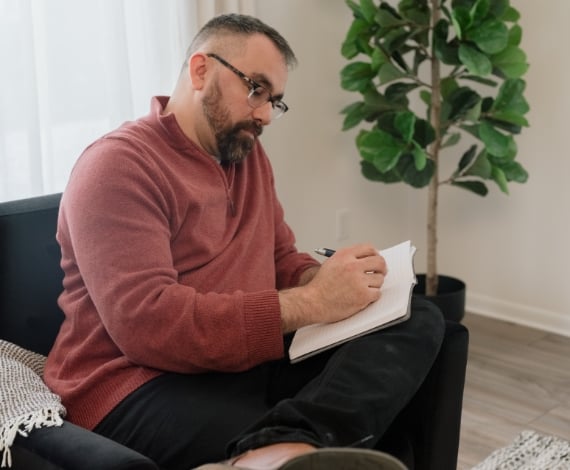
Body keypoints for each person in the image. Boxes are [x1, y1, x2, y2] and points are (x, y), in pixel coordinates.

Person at [44, 13, 445, 470]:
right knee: (366, 440)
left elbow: (279, 259)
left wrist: (337, 283)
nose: (266, 114)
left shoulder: (248, 158)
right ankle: (278, 449)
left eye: (275, 100)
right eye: (256, 89)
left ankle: (287, 443)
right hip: (136, 383)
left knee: (419, 317)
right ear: (201, 71)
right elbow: (149, 326)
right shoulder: (118, 167)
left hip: (245, 362)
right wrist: (315, 302)